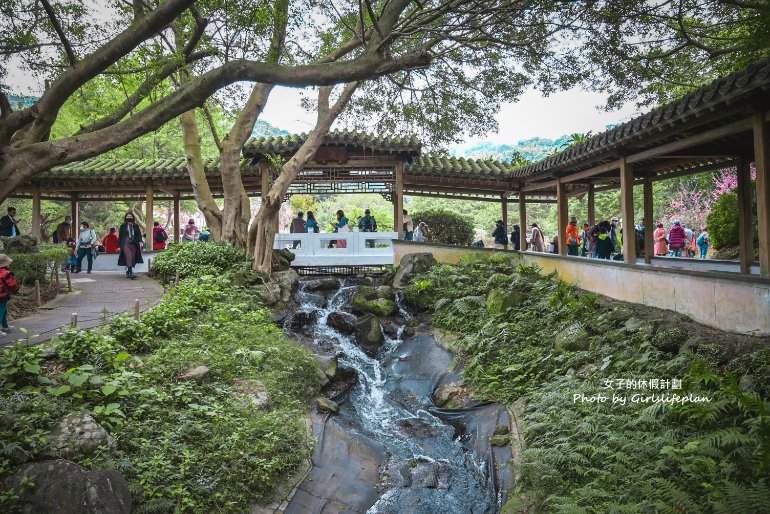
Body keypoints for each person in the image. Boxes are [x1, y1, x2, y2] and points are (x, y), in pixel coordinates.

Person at [118, 212, 143, 279]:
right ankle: (131, 273)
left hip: (134, 244)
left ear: (133, 217)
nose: (129, 217)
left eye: (130, 216)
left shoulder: (136, 225)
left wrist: (140, 241)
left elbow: (139, 234)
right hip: (125, 244)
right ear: (126, 218)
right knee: (129, 257)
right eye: (128, 216)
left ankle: (128, 272)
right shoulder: (123, 226)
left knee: (132, 258)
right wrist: (119, 246)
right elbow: (120, 236)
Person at [0, 254, 20, 336]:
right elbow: (12, 285)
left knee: (4, 310)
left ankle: (5, 326)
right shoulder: (6, 273)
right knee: (1, 311)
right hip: (2, 295)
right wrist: (16, 289)